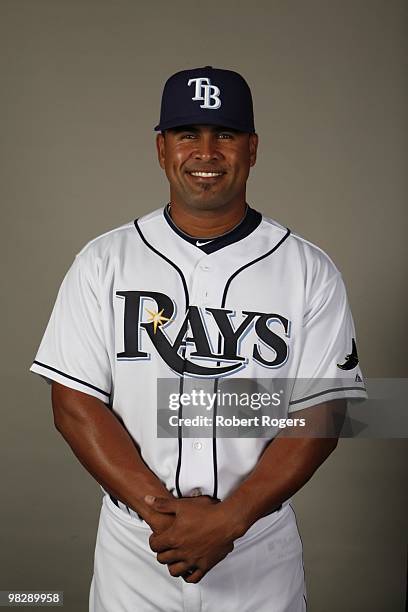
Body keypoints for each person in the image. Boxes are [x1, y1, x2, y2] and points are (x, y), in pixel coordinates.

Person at [30, 66, 367, 611]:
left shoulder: (308, 269)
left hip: (258, 546)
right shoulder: (103, 262)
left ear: (252, 149)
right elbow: (73, 405)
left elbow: (325, 413)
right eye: (188, 133)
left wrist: (231, 519)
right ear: (161, 149)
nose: (206, 152)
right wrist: (163, 513)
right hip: (137, 550)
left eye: (225, 135)